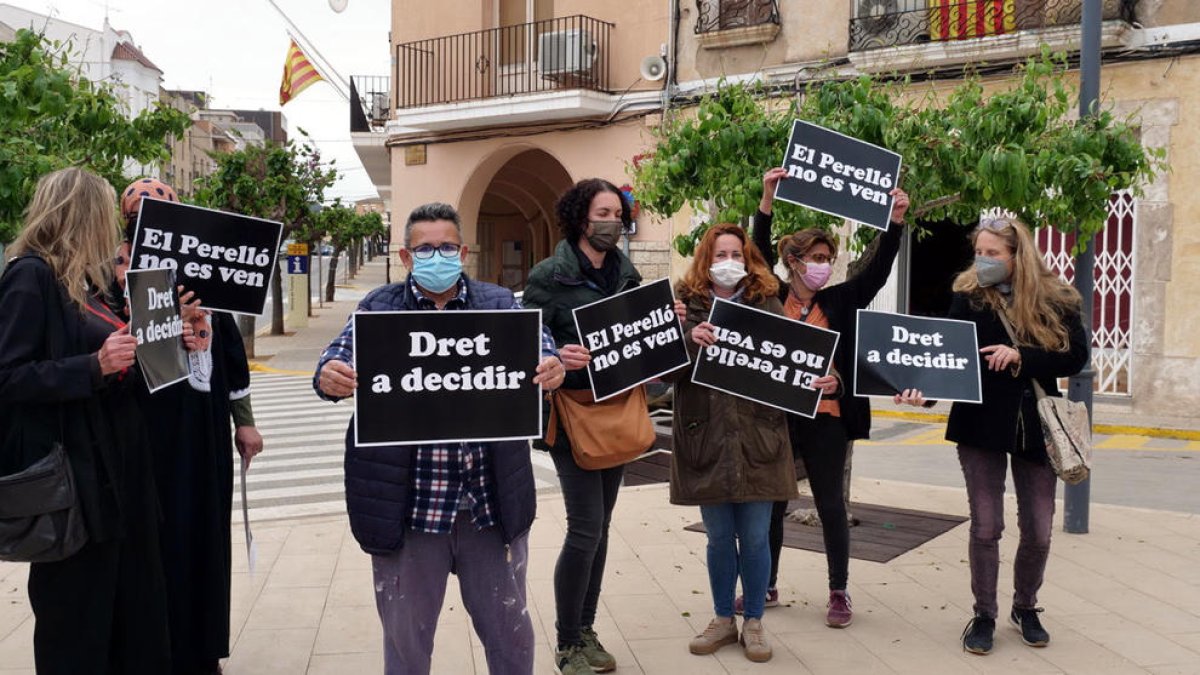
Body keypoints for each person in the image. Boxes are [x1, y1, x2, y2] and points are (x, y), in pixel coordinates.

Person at [313, 202, 565, 675]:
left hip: (488, 507)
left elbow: (541, 347)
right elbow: (333, 360)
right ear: (407, 257)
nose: (437, 256)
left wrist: (552, 368)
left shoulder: (498, 304)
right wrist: (329, 375)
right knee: (407, 646)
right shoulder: (377, 308)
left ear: (463, 251)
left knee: (511, 638)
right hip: (410, 512)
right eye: (425, 249)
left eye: (446, 247)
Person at [0, 167, 171, 673]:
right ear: (80, 216)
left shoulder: (88, 284)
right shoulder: (29, 277)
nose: (116, 231)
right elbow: (8, 377)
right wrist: (92, 366)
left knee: (126, 614)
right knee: (75, 622)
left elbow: (121, 362)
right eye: (105, 216)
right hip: (73, 486)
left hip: (118, 477)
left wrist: (169, 340)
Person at [897, 216, 1088, 655]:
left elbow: (1074, 356)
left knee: (1038, 529)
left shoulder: (1057, 297)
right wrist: (921, 396)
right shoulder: (969, 296)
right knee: (987, 526)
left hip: (1035, 426)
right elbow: (949, 359)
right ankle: (984, 614)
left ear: (1017, 255)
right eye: (979, 252)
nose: (982, 261)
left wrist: (1020, 356)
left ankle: (1026, 606)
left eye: (993, 254)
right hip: (980, 425)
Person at [746, 167, 910, 626]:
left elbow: (879, 268)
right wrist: (767, 199)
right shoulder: (773, 294)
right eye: (816, 256)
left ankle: (839, 591)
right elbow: (756, 254)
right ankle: (766, 583)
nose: (824, 263)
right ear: (794, 260)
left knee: (830, 504)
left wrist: (895, 222)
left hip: (828, 416)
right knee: (773, 505)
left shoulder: (842, 299)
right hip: (780, 417)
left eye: (829, 256)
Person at [118, 178, 264, 675]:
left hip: (203, 438)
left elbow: (231, 359)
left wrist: (244, 425)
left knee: (205, 536)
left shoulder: (210, 279)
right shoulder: (118, 279)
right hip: (148, 439)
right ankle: (156, 649)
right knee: (156, 544)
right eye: (140, 219)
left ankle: (202, 652)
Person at [668, 223, 814, 663]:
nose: (727, 263)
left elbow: (790, 366)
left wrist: (824, 381)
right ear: (704, 261)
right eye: (719, 254)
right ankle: (720, 619)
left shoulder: (766, 302)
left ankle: (753, 621)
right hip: (705, 439)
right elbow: (661, 374)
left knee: (754, 538)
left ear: (747, 259)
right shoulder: (682, 306)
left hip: (758, 438)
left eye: (735, 254)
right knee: (717, 538)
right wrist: (687, 341)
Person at [520, 178, 645, 675]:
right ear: (579, 217)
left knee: (602, 528)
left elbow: (637, 339)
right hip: (570, 416)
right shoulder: (549, 276)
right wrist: (553, 354)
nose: (610, 221)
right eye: (601, 212)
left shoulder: (627, 274)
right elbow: (524, 341)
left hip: (616, 412)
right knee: (584, 528)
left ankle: (587, 629)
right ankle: (568, 642)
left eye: (617, 212)